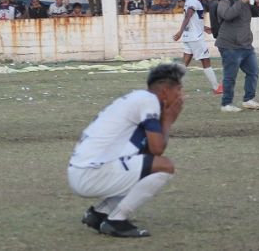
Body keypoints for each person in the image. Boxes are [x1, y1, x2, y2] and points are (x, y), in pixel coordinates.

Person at [68, 63, 184, 238]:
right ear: (166, 90)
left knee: (148, 166)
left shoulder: (138, 99)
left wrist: (165, 119)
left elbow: (149, 154)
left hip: (81, 171)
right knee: (165, 167)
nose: (181, 95)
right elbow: (158, 149)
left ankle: (99, 214)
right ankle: (117, 220)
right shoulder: (149, 100)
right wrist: (168, 120)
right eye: (179, 89)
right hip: (90, 174)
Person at [215, 0, 259, 113]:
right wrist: (242, 3)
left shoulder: (245, 1)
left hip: (246, 45)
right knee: (230, 76)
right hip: (229, 45)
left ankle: (248, 100)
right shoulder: (225, 1)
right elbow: (227, 15)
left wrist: (258, 3)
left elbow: (257, 13)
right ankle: (226, 104)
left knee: (254, 71)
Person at [173, 0, 222, 94]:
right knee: (206, 61)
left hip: (188, 36)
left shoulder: (190, 1)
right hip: (195, 38)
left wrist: (204, 28)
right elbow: (187, 17)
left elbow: (193, 20)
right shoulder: (194, 2)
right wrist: (180, 32)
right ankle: (216, 87)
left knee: (185, 62)